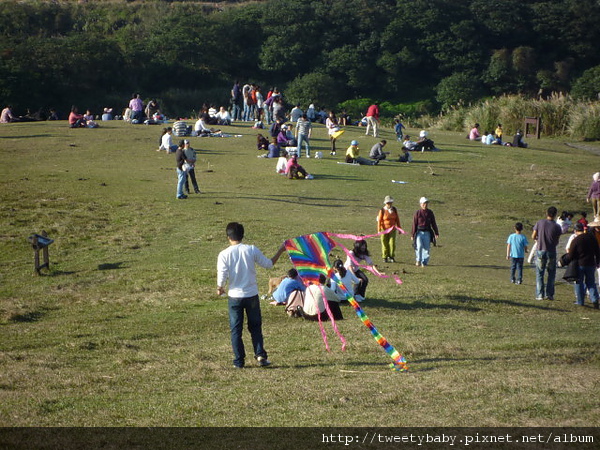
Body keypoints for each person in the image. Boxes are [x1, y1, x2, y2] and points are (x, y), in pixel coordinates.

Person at [217, 222, 286, 368]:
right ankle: (260, 355)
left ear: (228, 237)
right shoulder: (251, 249)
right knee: (255, 327)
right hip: (251, 295)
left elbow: (222, 274)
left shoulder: (224, 254)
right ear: (242, 235)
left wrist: (220, 287)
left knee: (236, 329)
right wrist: (280, 250)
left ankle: (239, 361)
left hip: (235, 296)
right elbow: (268, 264)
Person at [532, 206, 562, 301]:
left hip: (540, 250)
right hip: (551, 251)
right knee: (551, 274)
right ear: (555, 214)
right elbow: (557, 241)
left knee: (540, 273)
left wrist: (538, 240)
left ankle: (540, 294)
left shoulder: (540, 223)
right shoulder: (557, 227)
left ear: (547, 213)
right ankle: (550, 294)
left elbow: (533, 236)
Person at [568, 222, 600, 308]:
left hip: (580, 264)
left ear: (575, 231)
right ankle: (595, 299)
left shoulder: (576, 240)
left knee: (579, 282)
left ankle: (580, 301)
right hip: (591, 263)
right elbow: (597, 251)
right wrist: (597, 261)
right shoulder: (592, 238)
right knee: (591, 282)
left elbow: (571, 255)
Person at [411, 197, 439, 267]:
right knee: (419, 246)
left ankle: (424, 262)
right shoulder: (417, 213)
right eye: (423, 203)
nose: (425, 205)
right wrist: (412, 234)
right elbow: (414, 224)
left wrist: (436, 232)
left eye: (426, 203)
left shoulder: (430, 213)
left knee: (427, 248)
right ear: (420, 204)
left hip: (427, 232)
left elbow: (433, 223)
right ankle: (418, 260)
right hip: (419, 232)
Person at [377, 196, 401, 263]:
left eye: (390, 203)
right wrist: (379, 230)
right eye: (388, 203)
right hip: (384, 229)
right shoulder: (382, 210)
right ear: (385, 203)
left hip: (392, 229)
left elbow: (397, 219)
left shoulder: (394, 210)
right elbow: (379, 220)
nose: (389, 204)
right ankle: (385, 257)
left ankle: (391, 256)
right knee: (384, 243)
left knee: (392, 243)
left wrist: (399, 228)